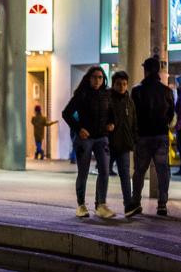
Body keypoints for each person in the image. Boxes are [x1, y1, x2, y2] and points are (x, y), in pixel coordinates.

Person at [62, 66, 116, 219]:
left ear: (104, 79)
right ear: (89, 78)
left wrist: (112, 123)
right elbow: (66, 113)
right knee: (83, 172)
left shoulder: (107, 94)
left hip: (102, 138)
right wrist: (79, 129)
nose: (97, 80)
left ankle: (101, 205)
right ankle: (81, 205)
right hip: (85, 139)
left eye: (100, 77)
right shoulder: (82, 94)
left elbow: (112, 113)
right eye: (94, 77)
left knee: (105, 171)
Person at [129, 57, 175, 217]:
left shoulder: (137, 91)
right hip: (161, 135)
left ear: (146, 70)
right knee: (163, 171)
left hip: (142, 136)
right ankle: (162, 204)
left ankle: (135, 201)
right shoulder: (167, 91)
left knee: (139, 171)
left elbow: (132, 115)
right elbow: (171, 114)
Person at [108, 71, 137, 214]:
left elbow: (134, 123)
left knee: (125, 175)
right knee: (103, 175)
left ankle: (128, 204)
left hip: (124, 145)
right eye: (119, 84)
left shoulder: (129, 101)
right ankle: (99, 202)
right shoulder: (107, 99)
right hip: (109, 144)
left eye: (124, 84)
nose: (122, 87)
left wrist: (134, 140)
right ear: (113, 84)